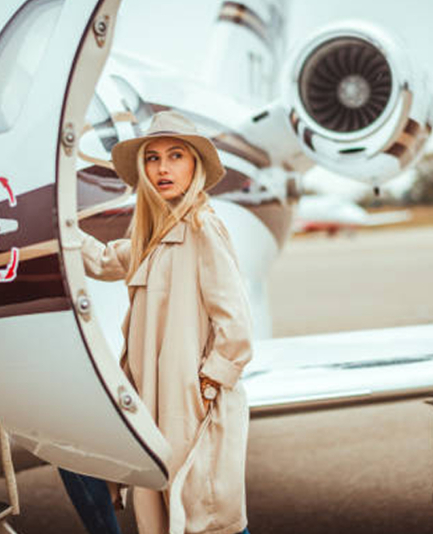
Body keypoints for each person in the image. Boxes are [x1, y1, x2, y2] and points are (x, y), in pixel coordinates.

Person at [69, 110, 253, 534]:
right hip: (154, 395)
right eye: (152, 158)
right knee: (173, 506)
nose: (163, 168)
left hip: (191, 400)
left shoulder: (204, 228)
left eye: (175, 156)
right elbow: (103, 260)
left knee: (207, 512)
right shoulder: (154, 232)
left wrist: (205, 386)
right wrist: (56, 227)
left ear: (195, 166)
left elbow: (236, 327)